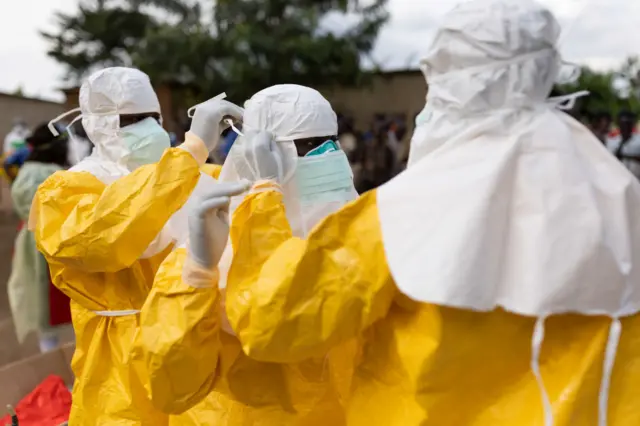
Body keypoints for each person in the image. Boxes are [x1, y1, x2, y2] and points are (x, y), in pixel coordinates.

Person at [218, 1, 640, 425]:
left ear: (448, 81)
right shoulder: (620, 193)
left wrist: (261, 202)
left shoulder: (402, 211)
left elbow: (272, 322)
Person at [132, 84, 359, 425]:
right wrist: (198, 272)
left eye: (331, 141)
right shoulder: (210, 251)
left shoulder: (360, 234)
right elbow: (167, 382)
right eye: (309, 146)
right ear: (257, 155)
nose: (328, 155)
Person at [30, 67, 246, 425]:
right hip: (119, 367)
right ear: (98, 124)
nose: (149, 128)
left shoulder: (194, 173)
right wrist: (191, 150)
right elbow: (107, 239)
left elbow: (249, 198)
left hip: (190, 345)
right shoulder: (65, 192)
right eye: (132, 119)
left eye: (153, 117)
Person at [8, 123, 71, 353]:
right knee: (52, 304)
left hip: (31, 240)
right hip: (51, 242)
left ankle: (52, 358)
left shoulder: (26, 171)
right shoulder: (51, 174)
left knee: (42, 306)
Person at [607, 110, 640, 179]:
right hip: (618, 179)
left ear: (632, 124)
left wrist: (626, 156)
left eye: (628, 124)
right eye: (623, 124)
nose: (626, 127)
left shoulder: (638, 140)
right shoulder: (612, 141)